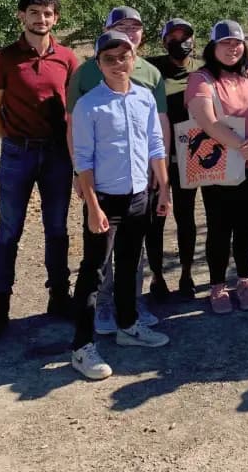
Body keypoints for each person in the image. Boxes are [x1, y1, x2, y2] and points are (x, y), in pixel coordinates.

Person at [69, 31, 171, 380]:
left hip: (139, 195)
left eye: (123, 57)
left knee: (130, 263)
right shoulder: (89, 105)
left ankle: (128, 326)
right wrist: (93, 207)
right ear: (98, 64)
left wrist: (165, 187)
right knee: (94, 271)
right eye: (108, 59)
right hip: (105, 200)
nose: (117, 64)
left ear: (134, 59)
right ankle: (82, 347)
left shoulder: (144, 98)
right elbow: (82, 159)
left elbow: (156, 144)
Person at [0, 0, 79, 341]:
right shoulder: (4, 59)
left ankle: (59, 297)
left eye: (48, 13)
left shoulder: (68, 59)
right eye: (34, 12)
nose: (41, 19)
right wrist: (8, 137)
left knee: (57, 229)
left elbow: (75, 107)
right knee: (9, 230)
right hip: (18, 154)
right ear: (21, 16)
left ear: (56, 18)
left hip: (57, 155)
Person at [186, 20, 248, 315]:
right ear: (213, 47)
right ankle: (217, 285)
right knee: (220, 225)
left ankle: (245, 281)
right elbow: (207, 121)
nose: (232, 48)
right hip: (218, 166)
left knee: (247, 223)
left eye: (237, 42)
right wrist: (242, 146)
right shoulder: (202, 79)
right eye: (225, 43)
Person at [144, 18, 199, 300]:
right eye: (173, 37)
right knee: (155, 219)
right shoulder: (150, 69)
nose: (180, 42)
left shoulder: (201, 72)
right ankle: (157, 277)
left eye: (185, 36)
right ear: (164, 41)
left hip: (191, 157)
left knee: (186, 217)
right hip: (157, 159)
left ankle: (187, 274)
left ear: (194, 40)